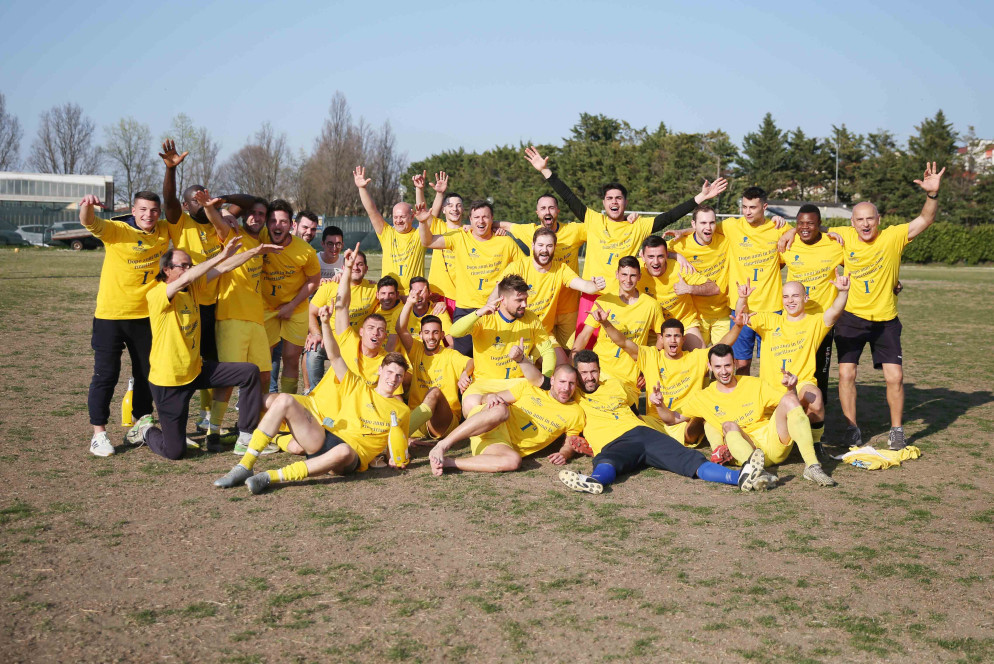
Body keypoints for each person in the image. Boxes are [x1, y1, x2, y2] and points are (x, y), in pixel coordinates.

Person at [522, 145, 726, 336]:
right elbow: (568, 196)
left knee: (618, 347)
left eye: (618, 198)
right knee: (585, 348)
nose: (614, 202)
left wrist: (700, 197)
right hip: (592, 295)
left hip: (622, 298)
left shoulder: (637, 226)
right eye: (609, 198)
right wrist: (545, 171)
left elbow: (669, 216)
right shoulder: (594, 220)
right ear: (604, 203)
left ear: (625, 202)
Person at [213, 305, 410, 493]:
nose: (393, 379)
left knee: (342, 451)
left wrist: (396, 457)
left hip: (350, 456)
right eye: (390, 372)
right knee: (284, 400)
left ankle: (269, 477)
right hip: (325, 439)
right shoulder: (358, 386)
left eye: (398, 376)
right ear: (380, 370)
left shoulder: (402, 410)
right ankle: (245, 465)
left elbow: (398, 445)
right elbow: (335, 356)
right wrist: (324, 323)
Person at [831, 163, 946, 450]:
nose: (865, 224)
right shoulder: (842, 236)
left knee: (895, 377)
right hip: (851, 318)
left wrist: (932, 194)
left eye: (870, 218)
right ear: (852, 222)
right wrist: (787, 233)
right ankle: (852, 428)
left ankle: (896, 430)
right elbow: (809, 229)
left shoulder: (893, 236)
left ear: (878, 220)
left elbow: (925, 219)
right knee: (846, 374)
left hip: (886, 320)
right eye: (860, 219)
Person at [556, 350, 772, 494]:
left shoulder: (614, 385)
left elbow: (633, 409)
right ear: (576, 375)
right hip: (614, 442)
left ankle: (740, 477)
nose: (590, 377)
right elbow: (547, 384)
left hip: (643, 433)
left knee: (689, 459)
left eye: (593, 371)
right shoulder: (572, 394)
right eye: (584, 373)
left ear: (599, 370)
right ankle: (594, 481)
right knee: (607, 461)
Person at [136, 240, 278, 459]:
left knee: (249, 372)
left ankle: (246, 437)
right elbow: (195, 275)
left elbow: (225, 268)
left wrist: (255, 251)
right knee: (175, 451)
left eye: (190, 265)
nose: (188, 269)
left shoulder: (193, 287)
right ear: (166, 270)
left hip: (196, 370)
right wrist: (221, 255)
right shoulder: (158, 294)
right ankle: (146, 430)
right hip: (170, 381)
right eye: (182, 265)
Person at [79, 192, 171, 457]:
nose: (148, 215)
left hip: (145, 317)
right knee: (106, 374)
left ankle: (141, 424)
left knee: (147, 373)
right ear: (133, 210)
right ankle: (99, 434)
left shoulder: (164, 230)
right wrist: (87, 206)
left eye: (154, 210)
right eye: (143, 209)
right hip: (110, 316)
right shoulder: (117, 230)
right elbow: (89, 222)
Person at [671, 344, 837, 486]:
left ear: (735, 363)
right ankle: (757, 472)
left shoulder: (753, 383)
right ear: (709, 366)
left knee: (789, 399)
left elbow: (792, 405)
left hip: (773, 443)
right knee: (728, 425)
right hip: (744, 449)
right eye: (718, 367)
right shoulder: (702, 397)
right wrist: (659, 405)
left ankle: (812, 466)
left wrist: (791, 389)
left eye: (727, 365)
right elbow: (671, 418)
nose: (723, 371)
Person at [593, 305, 747, 447]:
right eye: (668, 336)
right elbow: (623, 342)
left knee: (692, 428)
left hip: (684, 420)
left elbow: (721, 346)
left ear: (683, 339)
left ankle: (701, 425)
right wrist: (605, 323)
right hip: (655, 420)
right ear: (661, 338)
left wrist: (738, 326)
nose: (673, 340)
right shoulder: (650, 356)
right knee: (629, 424)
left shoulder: (696, 357)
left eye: (677, 336)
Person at [195, 191, 273, 445]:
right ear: (243, 216)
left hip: (257, 320)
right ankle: (213, 432)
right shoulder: (233, 235)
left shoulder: (263, 239)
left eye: (261, 214)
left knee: (264, 376)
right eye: (253, 213)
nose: (257, 217)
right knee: (229, 380)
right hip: (231, 318)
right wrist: (213, 205)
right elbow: (217, 220)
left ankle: (254, 427)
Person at [428, 358, 585, 475]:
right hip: (488, 423)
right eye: (562, 382)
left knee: (514, 461)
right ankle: (443, 445)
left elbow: (570, 442)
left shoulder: (575, 412)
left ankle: (447, 463)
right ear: (552, 381)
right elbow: (486, 399)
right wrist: (490, 397)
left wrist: (564, 454)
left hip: (498, 445)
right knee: (501, 411)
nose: (566, 388)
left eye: (571, 383)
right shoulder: (529, 388)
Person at [749, 278, 850, 453]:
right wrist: (743, 299)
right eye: (786, 296)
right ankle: (792, 436)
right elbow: (743, 316)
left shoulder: (815, 322)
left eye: (795, 296)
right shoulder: (769, 320)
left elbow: (834, 311)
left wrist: (843, 292)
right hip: (771, 389)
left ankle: (815, 442)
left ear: (805, 298)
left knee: (815, 398)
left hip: (801, 384)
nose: (790, 300)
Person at [417, 201, 522, 356]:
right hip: (465, 310)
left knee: (494, 356)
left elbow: (524, 268)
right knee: (464, 357)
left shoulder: (506, 242)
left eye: (485, 217)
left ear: (492, 219)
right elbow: (428, 241)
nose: (481, 221)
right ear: (470, 220)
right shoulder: (460, 237)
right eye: (476, 217)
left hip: (495, 310)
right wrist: (422, 222)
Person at [496, 227, 606, 363]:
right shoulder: (517, 267)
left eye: (549, 246)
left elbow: (583, 285)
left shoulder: (561, 269)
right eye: (540, 245)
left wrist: (595, 286)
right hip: (516, 331)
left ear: (554, 247)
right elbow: (497, 294)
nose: (544, 250)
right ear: (533, 246)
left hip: (542, 334)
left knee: (563, 368)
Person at [778, 204, 845, 424]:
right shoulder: (788, 244)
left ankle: (817, 422)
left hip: (822, 322)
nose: (805, 227)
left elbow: (861, 261)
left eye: (810, 223)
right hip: (794, 321)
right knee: (792, 368)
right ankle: (790, 413)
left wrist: (894, 282)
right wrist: (790, 231)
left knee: (820, 371)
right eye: (800, 223)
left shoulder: (834, 244)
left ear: (819, 224)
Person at [497, 194, 588, 348]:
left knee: (569, 353)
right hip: (541, 310)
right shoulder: (530, 231)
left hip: (568, 309)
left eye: (551, 208)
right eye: (543, 208)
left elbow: (601, 228)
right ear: (537, 212)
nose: (547, 212)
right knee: (540, 350)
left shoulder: (573, 230)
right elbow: (504, 225)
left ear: (558, 211)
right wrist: (471, 228)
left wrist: (627, 219)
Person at [721, 187, 790, 374]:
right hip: (742, 308)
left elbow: (802, 231)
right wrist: (683, 231)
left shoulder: (778, 228)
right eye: (744, 207)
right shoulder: (731, 226)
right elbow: (705, 230)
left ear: (764, 207)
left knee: (773, 365)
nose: (747, 212)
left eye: (752, 207)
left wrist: (789, 231)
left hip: (771, 308)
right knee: (741, 364)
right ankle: (745, 394)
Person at [260, 199, 320, 395]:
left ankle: (288, 404)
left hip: (296, 309)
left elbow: (314, 281)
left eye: (283, 221)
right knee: (264, 361)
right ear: (267, 222)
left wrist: (292, 305)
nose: (277, 226)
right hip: (266, 308)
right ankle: (262, 405)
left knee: (291, 358)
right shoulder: (259, 239)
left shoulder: (306, 251)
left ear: (291, 224)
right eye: (273, 221)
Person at [574, 256, 663, 387]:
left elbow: (661, 338)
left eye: (633, 275)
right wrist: (571, 363)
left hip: (630, 378)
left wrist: (649, 368)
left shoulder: (651, 305)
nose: (628, 280)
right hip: (600, 374)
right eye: (624, 274)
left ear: (639, 277)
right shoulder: (603, 301)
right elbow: (584, 335)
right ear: (617, 275)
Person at [448, 274, 556, 380]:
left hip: (519, 383)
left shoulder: (531, 318)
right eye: (519, 300)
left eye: (525, 299)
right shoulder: (485, 318)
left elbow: (547, 351)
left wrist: (546, 380)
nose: (525, 305)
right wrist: (478, 313)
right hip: (485, 383)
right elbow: (455, 332)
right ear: (503, 300)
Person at [396, 297, 473, 440]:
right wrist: (409, 302)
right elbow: (400, 329)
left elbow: (471, 362)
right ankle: (402, 434)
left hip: (443, 421)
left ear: (442, 335)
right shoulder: (416, 350)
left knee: (435, 392)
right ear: (420, 335)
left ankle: (399, 437)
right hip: (418, 421)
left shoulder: (450, 355)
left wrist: (465, 373)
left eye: (435, 332)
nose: (431, 337)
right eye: (426, 332)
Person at [304, 248, 378, 387]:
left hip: (357, 344)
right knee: (314, 350)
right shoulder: (329, 287)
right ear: (343, 268)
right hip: (331, 340)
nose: (355, 267)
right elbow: (310, 312)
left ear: (366, 268)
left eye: (360, 264)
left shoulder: (374, 290)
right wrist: (316, 334)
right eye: (352, 264)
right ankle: (314, 391)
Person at [636, 235, 716, 349]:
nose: (656, 262)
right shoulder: (636, 269)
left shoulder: (679, 268)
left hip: (684, 323)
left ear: (666, 255)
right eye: (651, 257)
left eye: (660, 256)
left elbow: (714, 288)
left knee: (700, 355)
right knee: (644, 357)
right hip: (652, 329)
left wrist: (689, 288)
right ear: (642, 256)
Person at [354, 166, 426, 292]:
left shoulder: (419, 235)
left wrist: (419, 190)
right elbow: (372, 211)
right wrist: (362, 189)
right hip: (389, 296)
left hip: (413, 296)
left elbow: (423, 212)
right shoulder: (387, 233)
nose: (398, 220)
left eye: (402, 217)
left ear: (412, 217)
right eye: (395, 217)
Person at [669, 205, 732, 345]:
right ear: (693, 224)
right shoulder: (680, 244)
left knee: (723, 357)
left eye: (712, 223)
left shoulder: (726, 241)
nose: (708, 227)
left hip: (723, 314)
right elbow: (655, 252)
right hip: (695, 316)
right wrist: (676, 255)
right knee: (697, 358)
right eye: (703, 223)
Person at [412, 171, 460, 315]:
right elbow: (423, 213)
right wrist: (420, 189)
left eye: (459, 206)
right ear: (444, 210)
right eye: (450, 205)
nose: (455, 209)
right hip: (437, 294)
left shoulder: (469, 231)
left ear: (463, 209)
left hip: (460, 296)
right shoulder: (438, 226)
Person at [399, 277, 454, 349]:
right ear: (409, 293)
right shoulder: (400, 313)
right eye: (415, 292)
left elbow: (453, 344)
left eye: (422, 291)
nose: (418, 296)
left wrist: (441, 355)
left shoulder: (439, 310)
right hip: (410, 355)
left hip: (435, 354)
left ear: (429, 293)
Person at [372, 276, 402, 352]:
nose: (386, 298)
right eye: (383, 293)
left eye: (391, 294)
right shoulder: (373, 309)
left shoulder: (404, 311)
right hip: (375, 354)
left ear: (397, 294)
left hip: (394, 356)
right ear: (377, 295)